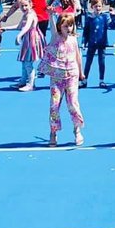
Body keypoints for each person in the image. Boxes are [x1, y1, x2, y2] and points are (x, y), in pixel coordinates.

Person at [39, 13, 85, 146]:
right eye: (66, 26)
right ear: (60, 26)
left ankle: (77, 130)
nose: (69, 28)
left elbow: (78, 56)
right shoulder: (55, 37)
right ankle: (53, 132)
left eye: (71, 25)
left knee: (73, 104)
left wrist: (81, 73)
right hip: (57, 77)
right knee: (54, 105)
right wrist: (50, 14)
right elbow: (53, 27)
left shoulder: (74, 39)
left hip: (72, 75)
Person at [11, 0, 44, 91]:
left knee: (28, 62)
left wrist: (19, 36)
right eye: (22, 6)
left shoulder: (31, 14)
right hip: (27, 39)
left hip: (33, 39)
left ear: (31, 5)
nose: (24, 7)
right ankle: (23, 81)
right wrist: (5, 28)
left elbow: (27, 27)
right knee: (24, 62)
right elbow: (19, 26)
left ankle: (31, 84)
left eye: (26, 5)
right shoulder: (25, 14)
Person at [81, 0, 112, 87]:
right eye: (95, 6)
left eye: (99, 6)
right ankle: (84, 80)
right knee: (88, 61)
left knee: (101, 62)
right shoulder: (89, 18)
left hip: (102, 43)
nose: (98, 8)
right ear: (92, 7)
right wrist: (83, 42)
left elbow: (112, 25)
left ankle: (101, 80)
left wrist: (112, 16)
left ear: (102, 6)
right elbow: (86, 31)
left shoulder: (105, 17)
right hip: (91, 43)